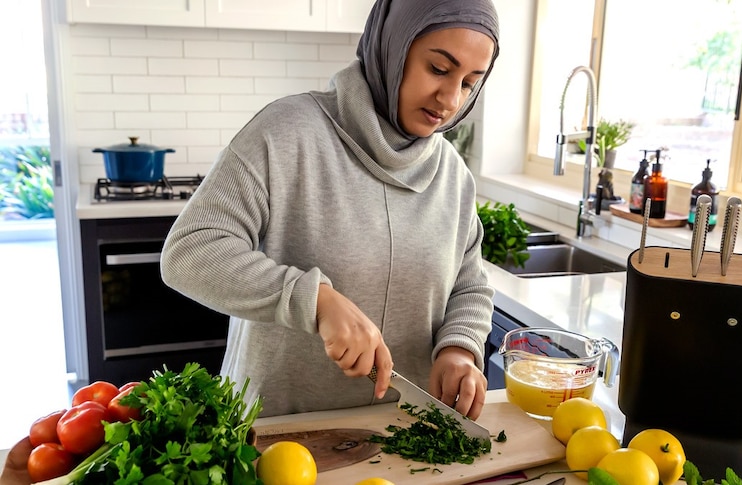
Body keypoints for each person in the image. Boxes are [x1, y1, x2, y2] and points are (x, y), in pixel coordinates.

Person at [160, 0, 500, 421]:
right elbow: (188, 253)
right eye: (438, 69)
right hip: (276, 436)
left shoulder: (453, 175)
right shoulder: (286, 132)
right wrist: (314, 301)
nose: (450, 99)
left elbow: (470, 284)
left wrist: (459, 348)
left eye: (469, 83)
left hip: (403, 440)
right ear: (392, 48)